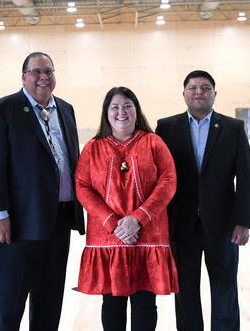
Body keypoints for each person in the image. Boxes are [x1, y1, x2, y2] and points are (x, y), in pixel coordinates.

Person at [0, 51, 85, 331]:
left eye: (48, 71)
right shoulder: (2, 109)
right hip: (18, 222)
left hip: (60, 219)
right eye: (36, 72)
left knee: (50, 299)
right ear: (24, 76)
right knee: (11, 301)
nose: (43, 77)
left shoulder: (66, 108)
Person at [155, 70, 250, 331]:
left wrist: (242, 222)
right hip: (181, 225)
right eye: (193, 87)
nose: (199, 92)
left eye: (205, 87)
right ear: (184, 93)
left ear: (214, 93)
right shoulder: (166, 128)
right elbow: (157, 178)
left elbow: (246, 178)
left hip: (223, 226)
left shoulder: (233, 128)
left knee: (224, 290)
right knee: (185, 292)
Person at [76, 86, 178, 331]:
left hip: (147, 235)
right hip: (108, 238)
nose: (121, 112)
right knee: (112, 302)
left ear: (136, 110)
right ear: (106, 113)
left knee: (145, 303)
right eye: (115, 107)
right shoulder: (93, 147)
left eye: (127, 106)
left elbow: (168, 181)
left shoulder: (153, 142)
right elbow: (82, 186)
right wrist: (112, 222)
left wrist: (139, 218)